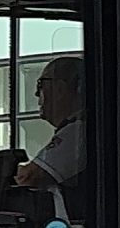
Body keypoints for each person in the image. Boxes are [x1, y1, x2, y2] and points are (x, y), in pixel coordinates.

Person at [15, 56, 86, 191]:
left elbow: (30, 178)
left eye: (40, 85)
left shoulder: (77, 132)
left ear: (60, 88)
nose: (37, 94)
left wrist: (1, 170)